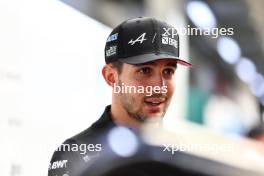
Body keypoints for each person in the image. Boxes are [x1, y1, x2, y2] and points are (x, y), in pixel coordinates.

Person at [48, 17, 191, 176]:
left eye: (168, 71)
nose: (159, 87)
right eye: (145, 71)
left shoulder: (182, 152)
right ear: (111, 77)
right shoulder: (75, 154)